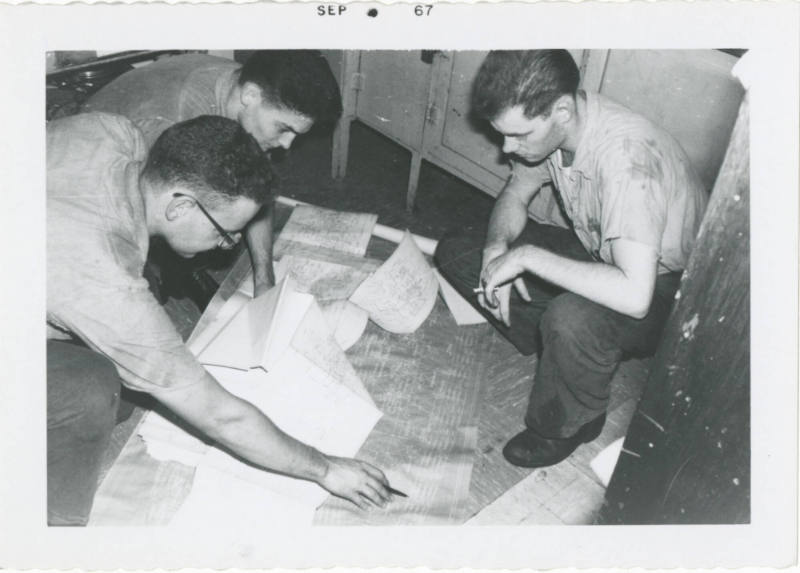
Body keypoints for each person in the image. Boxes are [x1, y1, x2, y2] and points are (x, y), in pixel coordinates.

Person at [47, 113, 390, 525]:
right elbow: (221, 416)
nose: (227, 246)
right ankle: (49, 534)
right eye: (225, 233)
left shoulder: (112, 131)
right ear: (181, 206)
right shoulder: (105, 279)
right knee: (94, 388)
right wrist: (325, 469)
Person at [434, 50, 708, 469]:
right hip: (604, 253)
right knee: (458, 252)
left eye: (519, 135)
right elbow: (515, 194)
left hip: (671, 290)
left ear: (561, 111)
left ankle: (572, 420)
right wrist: (497, 249)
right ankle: (555, 349)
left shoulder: (626, 159)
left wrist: (526, 256)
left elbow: (635, 295)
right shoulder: (561, 123)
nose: (507, 147)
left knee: (571, 319)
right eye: (503, 134)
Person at [84, 51, 343, 301]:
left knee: (220, 215)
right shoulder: (176, 118)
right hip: (94, 167)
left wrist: (264, 279)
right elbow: (147, 207)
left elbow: (255, 190)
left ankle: (182, 267)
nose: (287, 144)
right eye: (284, 128)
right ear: (251, 94)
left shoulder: (250, 97)